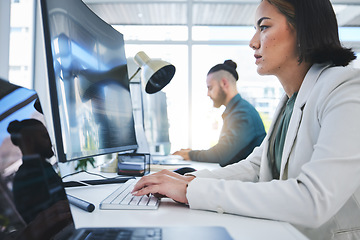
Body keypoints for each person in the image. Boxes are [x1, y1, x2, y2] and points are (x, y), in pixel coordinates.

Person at [132, 0, 360, 239]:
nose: (253, 42)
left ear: (303, 29)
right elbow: (255, 167)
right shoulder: (290, 99)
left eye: (264, 27)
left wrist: (192, 190)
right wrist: (185, 180)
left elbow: (315, 199)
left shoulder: (345, 88)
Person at [173, 60, 266, 167]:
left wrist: (191, 154)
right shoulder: (235, 110)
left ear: (224, 83)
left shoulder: (243, 113)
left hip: (248, 181)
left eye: (210, 88)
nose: (208, 94)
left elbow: (221, 154)